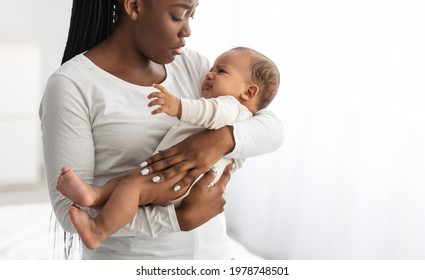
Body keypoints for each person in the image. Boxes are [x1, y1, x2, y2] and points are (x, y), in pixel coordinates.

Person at [39, 0, 283, 260]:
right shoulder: (71, 86)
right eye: (178, 15)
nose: (187, 30)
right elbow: (71, 212)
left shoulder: (193, 67)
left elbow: (271, 127)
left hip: (215, 257)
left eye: (193, 15)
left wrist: (222, 139)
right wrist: (178, 218)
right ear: (134, 7)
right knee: (128, 185)